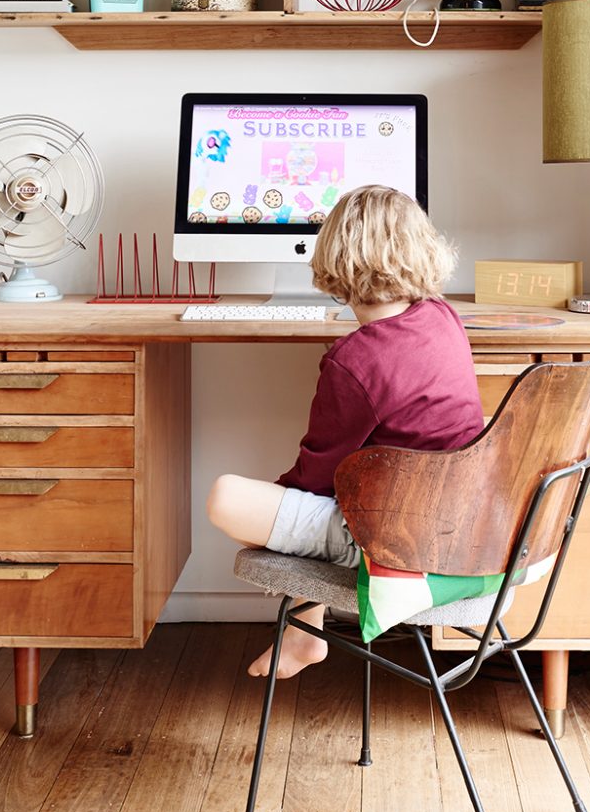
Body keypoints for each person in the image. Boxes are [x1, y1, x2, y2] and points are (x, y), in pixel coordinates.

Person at [206, 184, 484, 679]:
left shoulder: (355, 360)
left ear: (334, 255)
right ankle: (300, 635)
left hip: (401, 539)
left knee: (229, 497)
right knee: (326, 495)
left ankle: (303, 635)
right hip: (463, 522)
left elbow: (316, 475)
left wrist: (275, 497)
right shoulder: (442, 317)